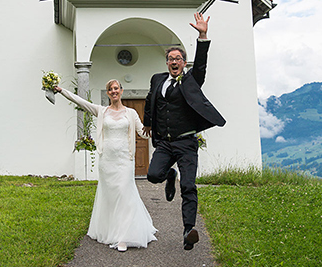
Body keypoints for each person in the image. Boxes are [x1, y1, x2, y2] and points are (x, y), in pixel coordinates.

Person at [143, 13, 226, 250]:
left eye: (178, 58)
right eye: (171, 58)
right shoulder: (157, 79)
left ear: (183, 62)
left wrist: (202, 36)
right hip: (165, 143)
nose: (174, 61)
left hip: (186, 143)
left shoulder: (190, 80)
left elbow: (200, 66)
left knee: (188, 186)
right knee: (152, 175)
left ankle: (188, 230)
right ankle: (170, 175)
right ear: (166, 62)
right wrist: (148, 122)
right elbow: (150, 101)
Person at [54, 80, 157, 252]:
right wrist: (61, 90)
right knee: (111, 197)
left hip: (125, 159)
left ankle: (124, 236)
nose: (114, 91)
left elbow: (143, 133)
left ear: (121, 91)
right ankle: (112, 230)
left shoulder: (131, 113)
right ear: (108, 93)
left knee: (125, 195)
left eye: (116, 88)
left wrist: (164, 131)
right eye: (110, 89)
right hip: (107, 160)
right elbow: (80, 102)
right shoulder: (102, 111)